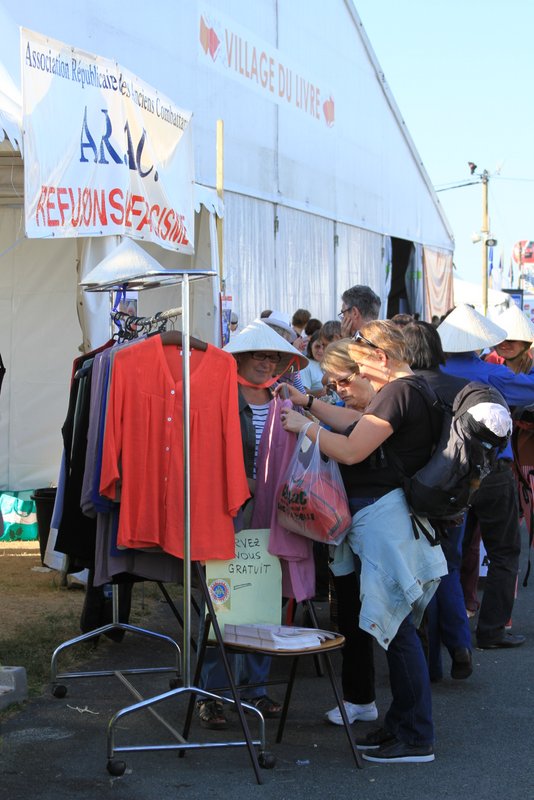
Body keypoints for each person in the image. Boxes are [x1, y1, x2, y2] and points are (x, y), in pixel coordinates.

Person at [279, 321, 447, 764]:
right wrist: (312, 405)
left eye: (360, 354)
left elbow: (352, 449)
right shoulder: (415, 390)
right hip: (395, 516)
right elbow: (356, 423)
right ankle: (400, 726)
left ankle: (416, 737)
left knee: (396, 629)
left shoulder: (397, 392)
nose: (356, 364)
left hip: (384, 517)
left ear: (380, 355)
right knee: (395, 626)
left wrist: (305, 425)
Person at [197, 320, 308, 729]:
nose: (268, 363)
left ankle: (254, 690)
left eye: (275, 356)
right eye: (260, 355)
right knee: (223, 603)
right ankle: (211, 693)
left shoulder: (286, 399)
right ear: (239, 357)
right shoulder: (218, 397)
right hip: (230, 512)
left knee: (264, 599)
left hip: (276, 514)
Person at [438, 303, 534, 649]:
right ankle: (491, 630)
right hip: (492, 470)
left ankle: (446, 634)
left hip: (446, 470)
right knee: (504, 551)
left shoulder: (427, 372)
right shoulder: (493, 374)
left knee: (448, 554)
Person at [403, 321, 474, 682]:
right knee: (447, 571)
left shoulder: (406, 388)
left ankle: (429, 665)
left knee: (422, 577)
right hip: (456, 495)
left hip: (416, 493)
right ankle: (460, 643)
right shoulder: (463, 388)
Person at [313, 339, 378, 726]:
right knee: (351, 614)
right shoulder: (344, 409)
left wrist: (309, 426)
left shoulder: (387, 407)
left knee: (386, 620)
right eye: (332, 383)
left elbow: (353, 449)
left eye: (343, 381)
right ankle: (360, 697)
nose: (338, 390)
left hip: (376, 529)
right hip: (347, 530)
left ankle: (393, 710)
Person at [299, 331, 326, 397]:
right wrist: (323, 391)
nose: (320, 350)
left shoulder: (329, 364)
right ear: (311, 346)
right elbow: (302, 393)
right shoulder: (306, 364)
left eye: (324, 347)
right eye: (317, 346)